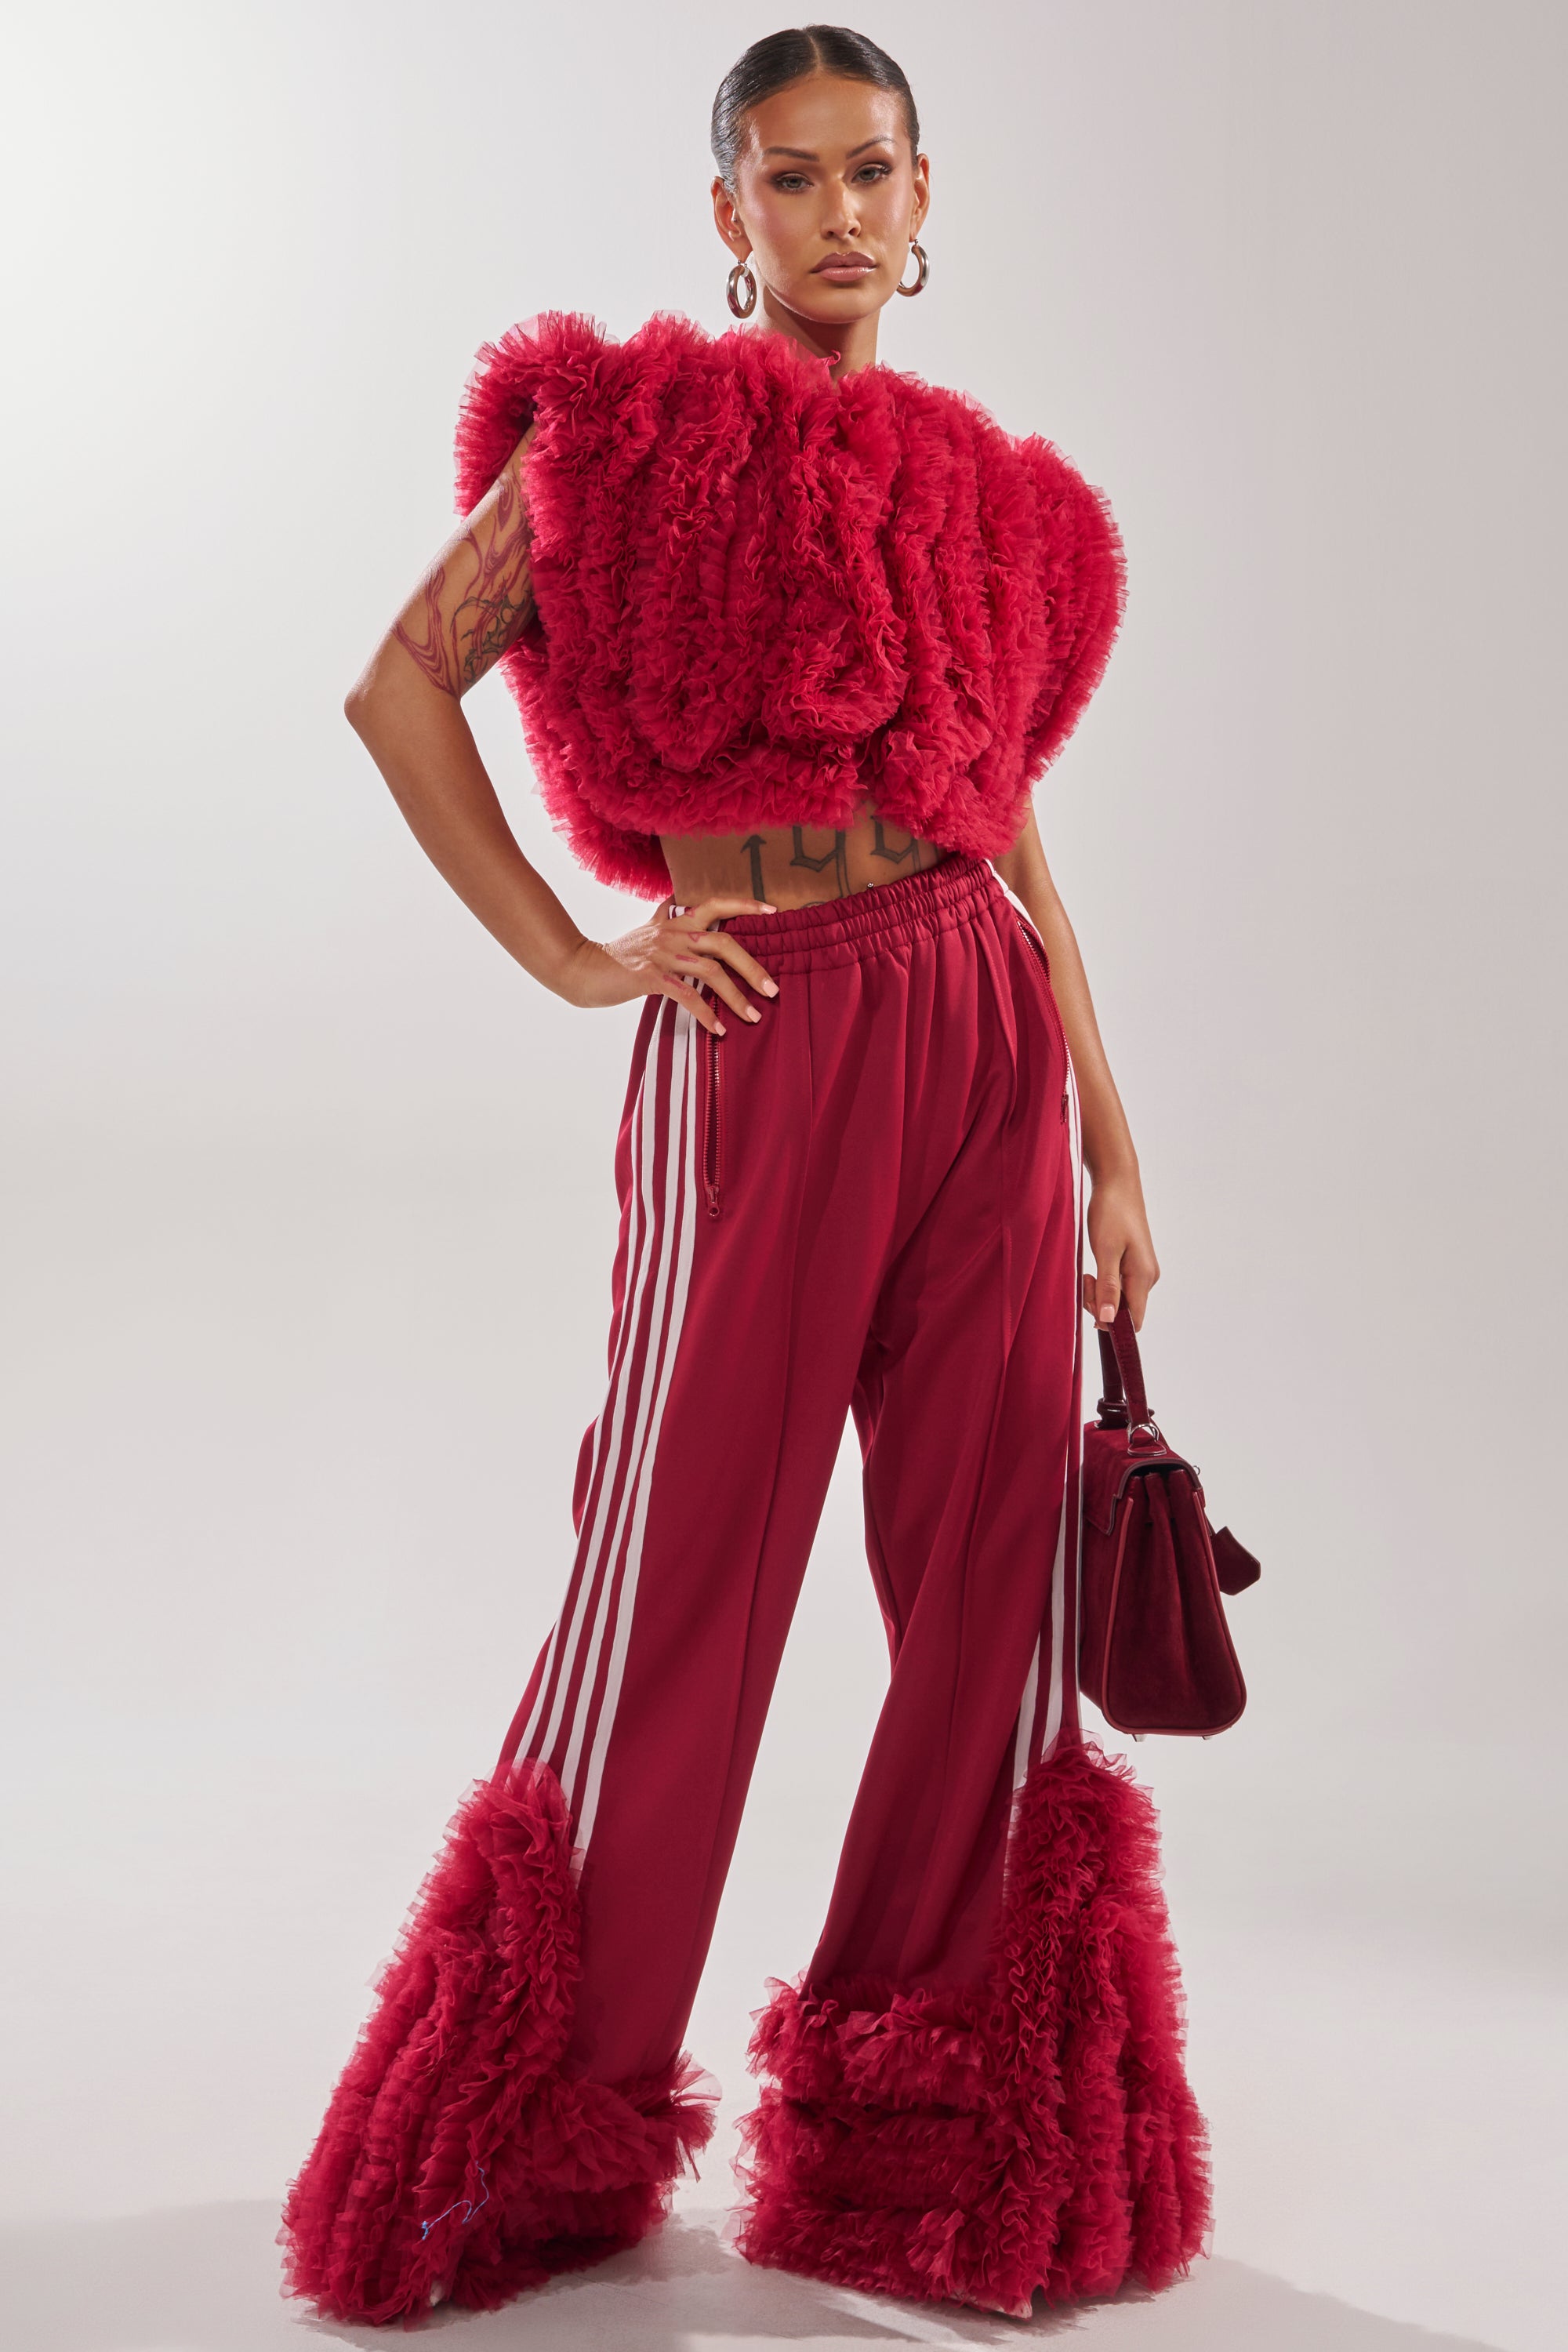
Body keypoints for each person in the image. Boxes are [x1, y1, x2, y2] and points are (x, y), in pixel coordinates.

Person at [280, 23, 1210, 2326]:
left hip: (978, 1026)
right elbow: (398, 686)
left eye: (869, 172)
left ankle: (930, 2130)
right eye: (789, 180)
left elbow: (1009, 830)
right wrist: (577, 958)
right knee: (679, 1566)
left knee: (994, 1580)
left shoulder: (983, 492)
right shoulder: (621, 446)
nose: (836, 214)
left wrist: (1110, 1136)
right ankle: (534, 2130)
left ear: (924, 194)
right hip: (760, 1028)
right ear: (729, 214)